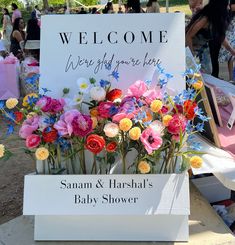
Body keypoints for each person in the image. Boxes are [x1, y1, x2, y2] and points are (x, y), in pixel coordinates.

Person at [186, 0, 235, 78]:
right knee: (197, 79)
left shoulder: (217, 20)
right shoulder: (205, 18)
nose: (229, 8)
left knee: (206, 75)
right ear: (220, 7)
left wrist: (232, 51)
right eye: (227, 5)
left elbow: (221, 38)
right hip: (190, 50)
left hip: (202, 52)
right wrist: (192, 57)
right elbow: (188, 35)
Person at [219, 1, 235, 82]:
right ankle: (231, 78)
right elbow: (232, 7)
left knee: (231, 56)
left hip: (232, 29)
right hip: (229, 27)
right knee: (229, 54)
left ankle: (231, 78)